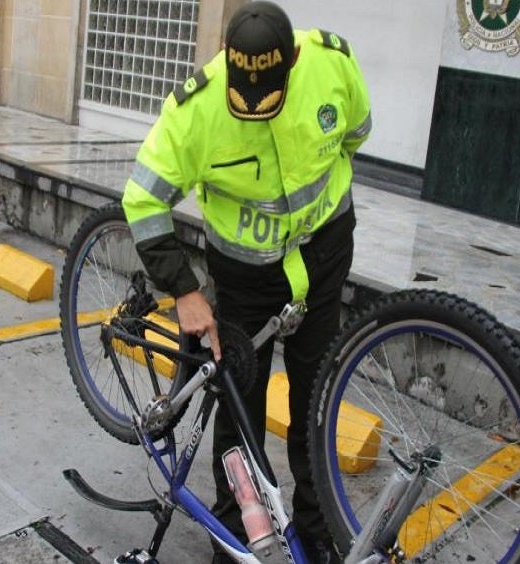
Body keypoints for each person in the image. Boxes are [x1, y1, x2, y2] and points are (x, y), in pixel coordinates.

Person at [121, 2, 371, 562]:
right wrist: (184, 291)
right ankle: (233, 537)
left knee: (316, 402)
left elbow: (355, 133)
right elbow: (142, 199)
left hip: (323, 258)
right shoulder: (198, 108)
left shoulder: (331, 63)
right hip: (245, 277)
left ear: (296, 59)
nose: (254, 108)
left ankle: (316, 529)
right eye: (245, 94)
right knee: (239, 410)